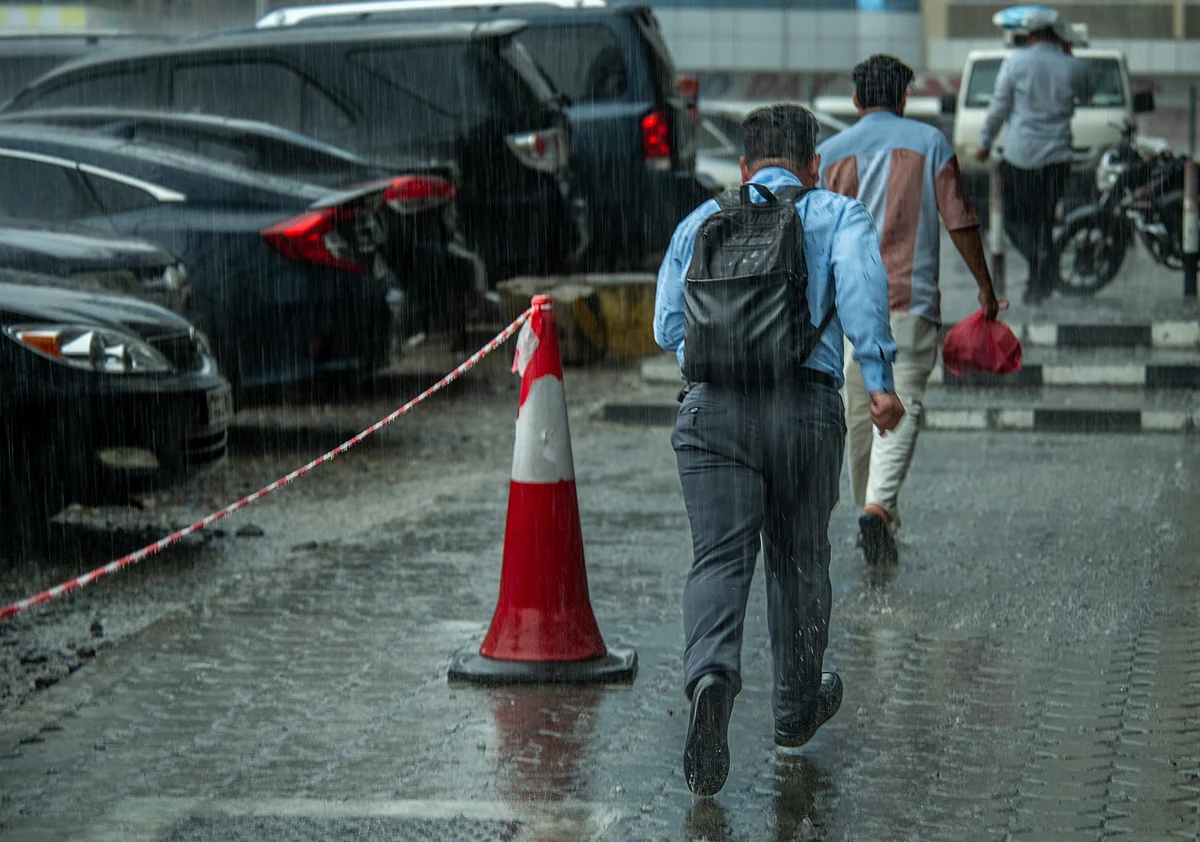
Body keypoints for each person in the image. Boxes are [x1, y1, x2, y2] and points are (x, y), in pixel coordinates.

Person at [654, 103, 904, 797]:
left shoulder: (701, 222)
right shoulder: (836, 214)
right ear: (813, 163)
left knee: (719, 559)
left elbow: (666, 325)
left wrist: (719, 364)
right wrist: (879, 382)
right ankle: (794, 707)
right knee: (798, 558)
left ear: (743, 165)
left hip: (711, 416)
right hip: (805, 411)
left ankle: (710, 678)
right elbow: (861, 296)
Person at [818, 54, 999, 566]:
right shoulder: (930, 143)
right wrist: (985, 286)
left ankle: (875, 516)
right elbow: (960, 220)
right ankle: (877, 510)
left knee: (859, 412)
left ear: (856, 100)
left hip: (846, 307)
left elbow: (813, 235)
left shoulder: (828, 154)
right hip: (911, 299)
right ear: (903, 97)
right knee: (905, 401)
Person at [977, 25, 1086, 305]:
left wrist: (985, 140)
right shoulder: (1073, 66)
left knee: (1013, 220)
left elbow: (999, 106)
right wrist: (1070, 55)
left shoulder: (1015, 62)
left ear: (1031, 36)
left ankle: (1039, 268)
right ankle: (1039, 281)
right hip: (1057, 158)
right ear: (1057, 36)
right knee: (1044, 221)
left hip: (1020, 156)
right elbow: (1087, 95)